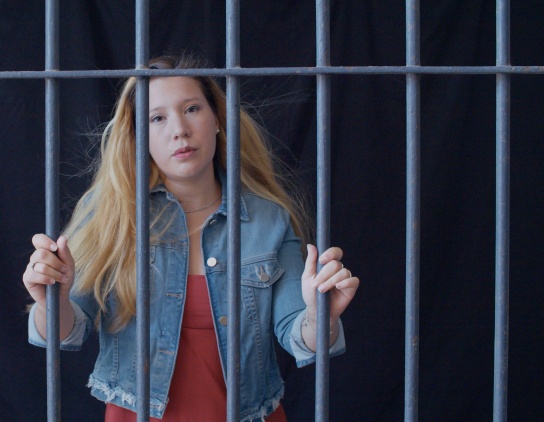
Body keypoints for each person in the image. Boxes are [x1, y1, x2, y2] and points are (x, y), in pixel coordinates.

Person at [23, 54, 360, 421]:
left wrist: (320, 315)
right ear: (138, 136)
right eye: (157, 118)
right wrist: (50, 301)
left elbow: (301, 339)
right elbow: (65, 333)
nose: (180, 130)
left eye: (192, 109)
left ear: (216, 119)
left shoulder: (269, 219)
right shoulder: (111, 215)